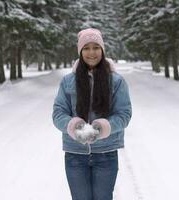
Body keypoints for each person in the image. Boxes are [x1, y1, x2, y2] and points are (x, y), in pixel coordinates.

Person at [52, 28, 132, 200]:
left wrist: (103, 127)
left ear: (102, 50)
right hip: (75, 155)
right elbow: (58, 113)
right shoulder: (68, 81)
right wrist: (75, 126)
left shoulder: (116, 81)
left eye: (96, 47)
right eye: (86, 48)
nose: (91, 52)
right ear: (80, 51)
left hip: (106, 153)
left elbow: (124, 114)